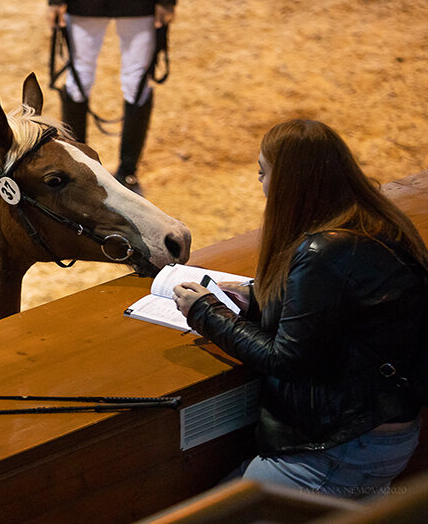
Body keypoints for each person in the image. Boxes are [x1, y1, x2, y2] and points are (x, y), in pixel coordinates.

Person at [171, 120, 428, 498]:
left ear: (290, 183)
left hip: (337, 451)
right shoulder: (375, 222)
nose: (261, 185)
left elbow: (287, 358)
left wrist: (205, 311)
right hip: (382, 434)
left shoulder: (322, 252)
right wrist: (256, 295)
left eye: (263, 173)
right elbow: (341, 305)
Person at [47, 0, 177, 195]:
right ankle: (78, 170)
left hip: (139, 2)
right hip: (84, 1)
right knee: (78, 79)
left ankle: (128, 174)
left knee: (138, 83)